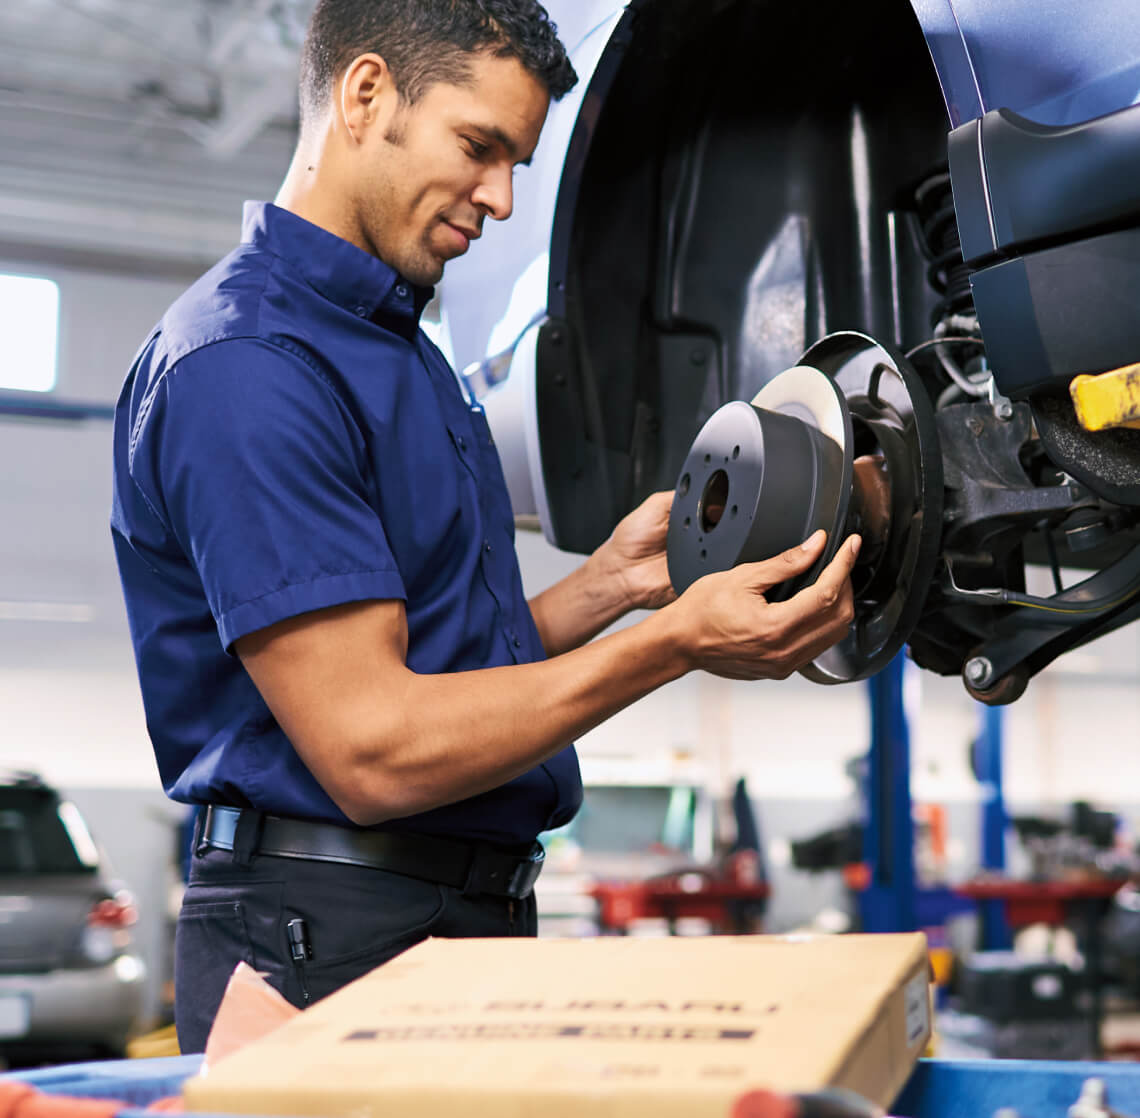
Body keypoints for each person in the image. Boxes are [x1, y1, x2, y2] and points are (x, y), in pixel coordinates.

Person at [110, 0, 860, 1053]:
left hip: (445, 914)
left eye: (519, 161)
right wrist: (671, 644)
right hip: (323, 936)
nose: (503, 199)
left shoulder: (399, 354)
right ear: (366, 94)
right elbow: (374, 748)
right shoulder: (250, 369)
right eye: (481, 147)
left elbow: (439, 667)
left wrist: (613, 586)